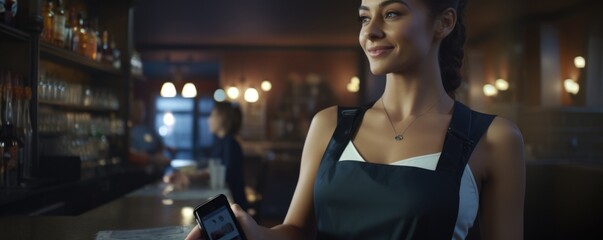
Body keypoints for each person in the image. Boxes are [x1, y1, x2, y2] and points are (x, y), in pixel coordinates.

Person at [187, 0, 525, 239]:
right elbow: (295, 232)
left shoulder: (494, 139)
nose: (371, 31)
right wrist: (255, 234)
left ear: (444, 22)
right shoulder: (329, 125)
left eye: (391, 13)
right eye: (365, 18)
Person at [169, 101, 250, 211]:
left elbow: (224, 174)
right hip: (226, 201)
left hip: (234, 206)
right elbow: (212, 167)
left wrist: (192, 177)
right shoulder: (223, 142)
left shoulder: (230, 143)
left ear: (222, 117)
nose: (208, 119)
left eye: (212, 115)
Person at [129, 99, 172, 169]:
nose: (140, 113)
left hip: (152, 166)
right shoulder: (128, 131)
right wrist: (152, 159)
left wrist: (162, 152)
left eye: (142, 110)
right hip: (135, 167)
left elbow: (160, 144)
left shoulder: (148, 129)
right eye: (137, 110)